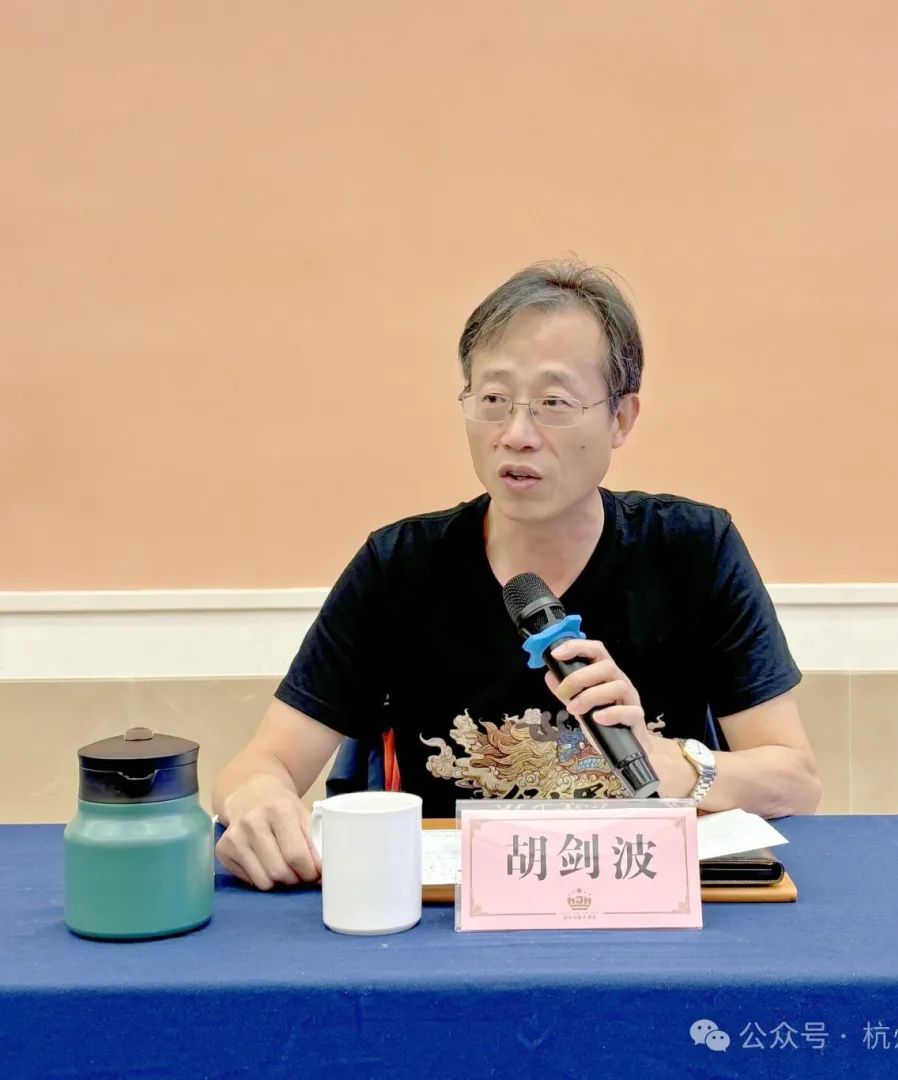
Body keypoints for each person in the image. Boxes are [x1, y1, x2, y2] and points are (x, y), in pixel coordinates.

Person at [212, 260, 821, 890]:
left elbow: (796, 780)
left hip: (641, 899)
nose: (516, 434)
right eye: (493, 400)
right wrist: (256, 796)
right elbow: (261, 764)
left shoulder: (694, 549)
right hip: (453, 915)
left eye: (554, 403)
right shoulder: (399, 566)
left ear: (621, 418)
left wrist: (674, 765)